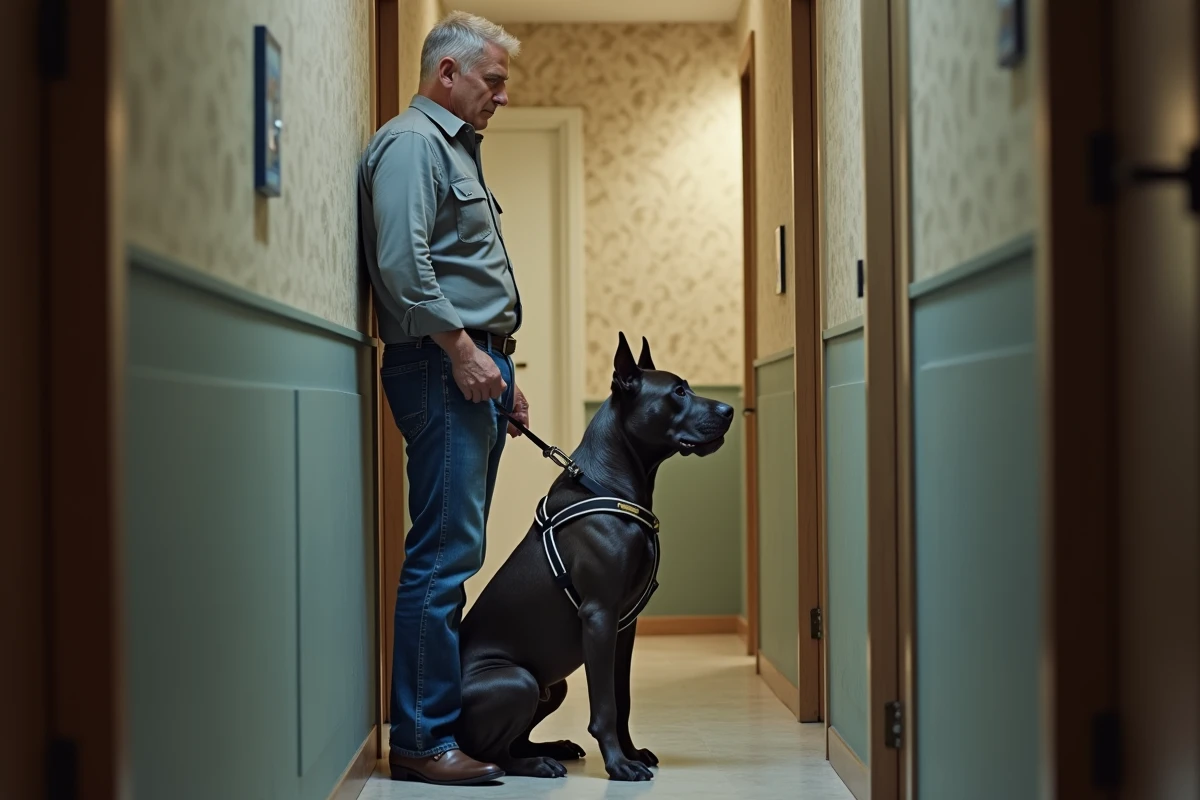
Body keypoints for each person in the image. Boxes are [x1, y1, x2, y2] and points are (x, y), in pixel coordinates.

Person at [357, 11, 529, 786]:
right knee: (440, 557)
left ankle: (439, 730)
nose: (502, 96)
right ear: (448, 74)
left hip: (473, 369)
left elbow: (455, 269)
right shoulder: (412, 145)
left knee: (456, 551)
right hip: (440, 366)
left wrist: (504, 377)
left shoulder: (450, 148)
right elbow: (404, 264)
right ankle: (423, 743)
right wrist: (464, 351)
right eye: (493, 81)